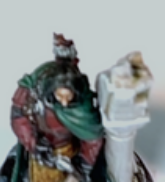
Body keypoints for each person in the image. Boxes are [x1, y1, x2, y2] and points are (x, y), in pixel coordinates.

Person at [6, 36, 105, 182]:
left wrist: (81, 167)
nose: (64, 102)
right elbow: (18, 114)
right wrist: (33, 144)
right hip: (41, 152)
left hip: (70, 151)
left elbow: (92, 138)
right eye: (60, 96)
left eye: (68, 96)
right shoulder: (39, 86)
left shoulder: (82, 108)